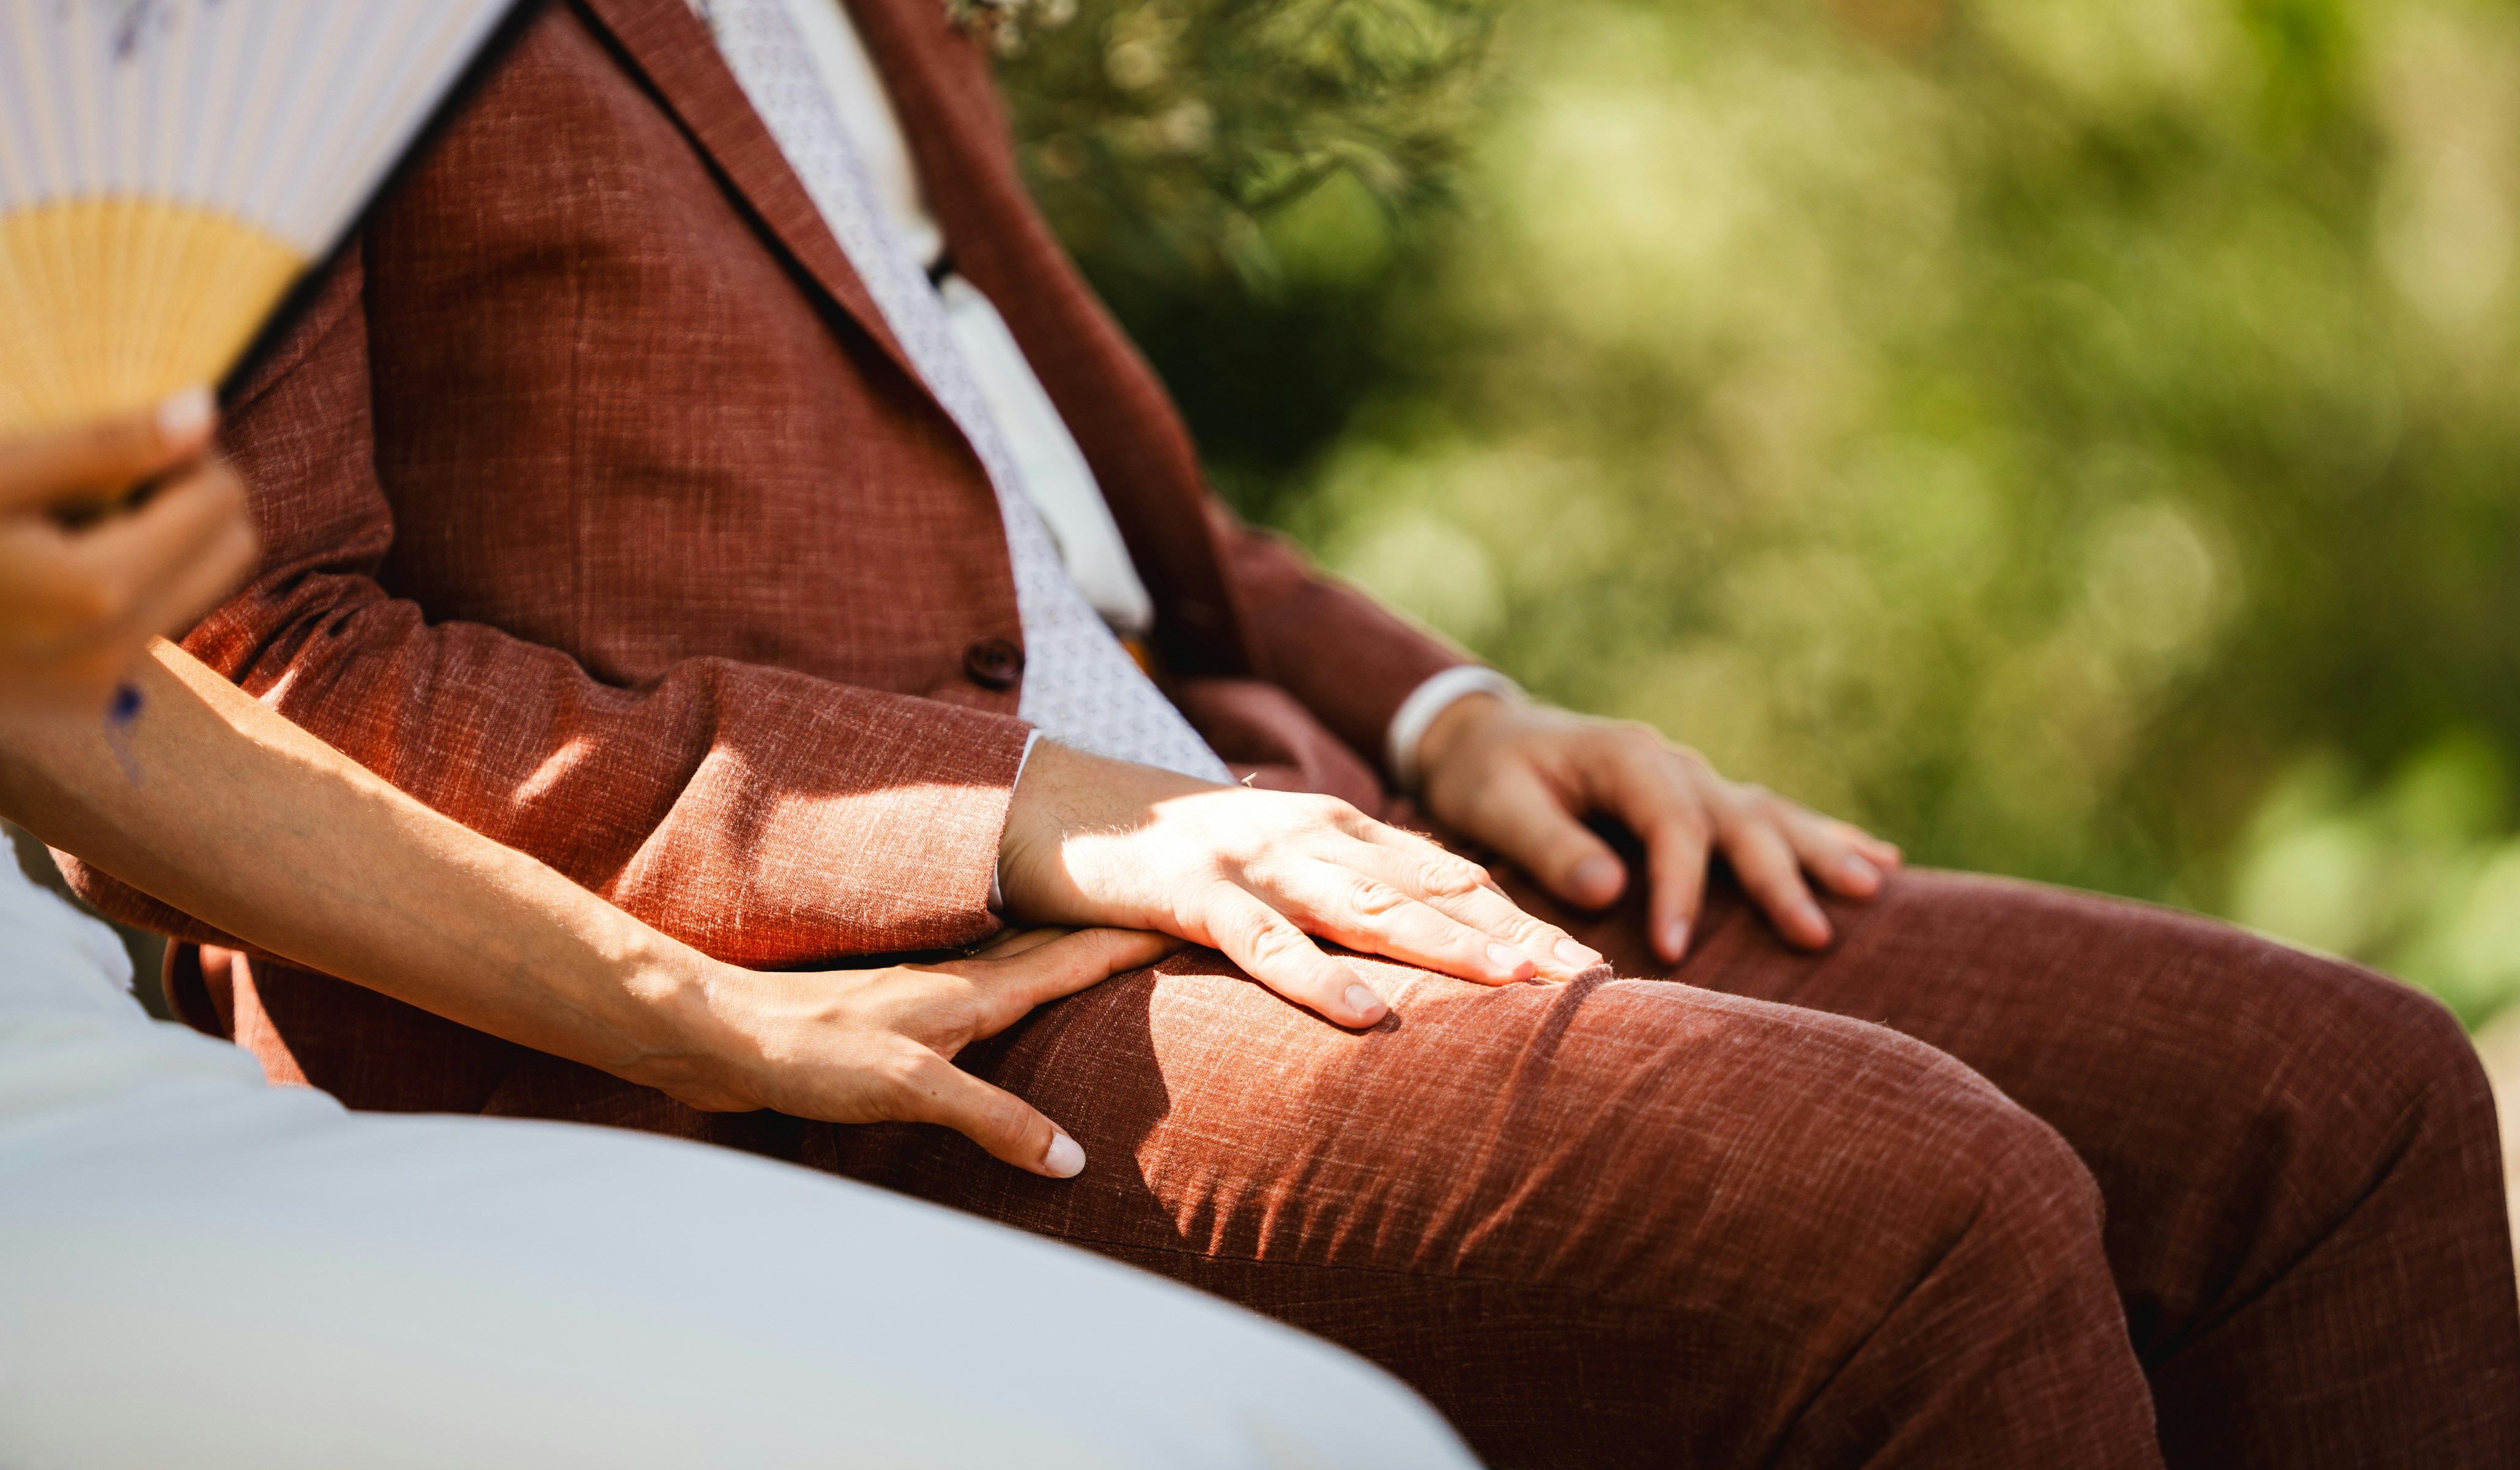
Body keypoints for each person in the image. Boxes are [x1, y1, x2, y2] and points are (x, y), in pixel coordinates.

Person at [12, 0, 2520, 1462]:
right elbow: (260, 673)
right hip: (803, 966)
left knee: (2344, 1096)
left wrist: (1442, 709)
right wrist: (1050, 827)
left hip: (1273, 800)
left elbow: (987, 404)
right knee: (1907, 1206)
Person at [0, 396, 1480, 1468]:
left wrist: (710, 1009)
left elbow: (86, 713)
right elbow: (256, 671)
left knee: (1299, 1430)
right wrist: (706, 1007)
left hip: (97, 1088)